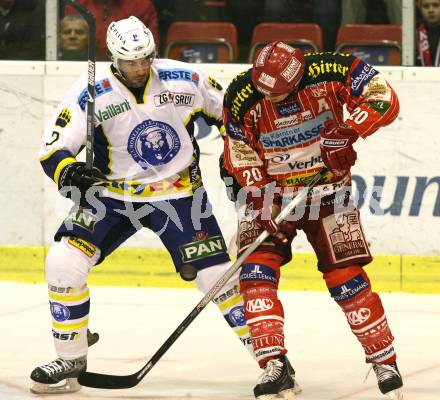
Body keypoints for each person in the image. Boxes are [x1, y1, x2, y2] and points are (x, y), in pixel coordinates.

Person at [30, 17, 302, 395]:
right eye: (130, 62)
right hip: (111, 196)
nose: (140, 68)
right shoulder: (89, 91)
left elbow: (234, 115)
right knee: (63, 261)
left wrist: (236, 156)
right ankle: (71, 358)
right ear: (113, 58)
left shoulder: (185, 79)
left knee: (216, 279)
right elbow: (51, 150)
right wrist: (72, 172)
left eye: (146, 58)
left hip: (180, 195)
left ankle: (273, 360)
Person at [221, 41, 403, 399]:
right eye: (264, 92)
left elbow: (385, 98)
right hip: (271, 192)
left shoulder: (334, 68)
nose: (270, 100)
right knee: (255, 272)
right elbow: (237, 147)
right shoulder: (241, 92)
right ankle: (273, 363)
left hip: (330, 189)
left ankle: (384, 359)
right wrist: (257, 194)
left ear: (299, 76)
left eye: (279, 93)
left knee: (346, 277)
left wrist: (350, 131)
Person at [63, 0, 159, 60]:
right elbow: (67, 48)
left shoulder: (142, 5)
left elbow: (151, 50)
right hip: (84, 66)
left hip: (129, 69)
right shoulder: (76, 5)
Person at [416, 0, 440, 66]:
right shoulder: (414, 34)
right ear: (420, 8)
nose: (431, 10)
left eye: (436, 5)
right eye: (426, 6)